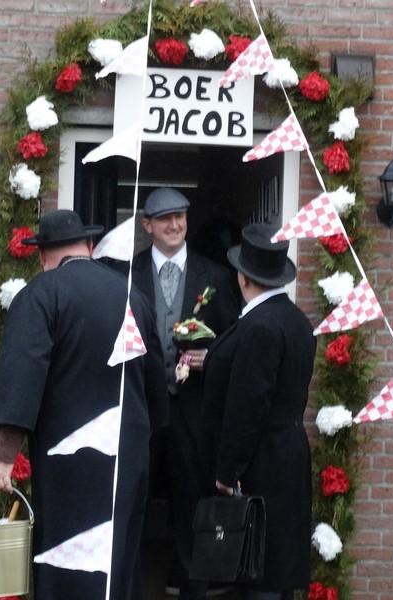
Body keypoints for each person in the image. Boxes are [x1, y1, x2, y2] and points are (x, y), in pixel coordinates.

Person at [0, 209, 168, 600]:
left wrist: (3, 454)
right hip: (126, 456)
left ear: (42, 255)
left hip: (67, 461)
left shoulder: (40, 294)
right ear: (88, 245)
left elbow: (22, 374)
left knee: (66, 557)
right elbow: (156, 388)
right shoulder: (134, 295)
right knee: (117, 559)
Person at [197, 223, 316, 600]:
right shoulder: (296, 320)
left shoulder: (260, 326)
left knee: (262, 572)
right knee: (275, 572)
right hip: (287, 455)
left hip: (262, 464)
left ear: (243, 277)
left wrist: (226, 472)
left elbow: (248, 409)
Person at [131, 187, 240, 599]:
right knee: (134, 505)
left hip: (192, 413)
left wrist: (209, 358)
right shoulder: (128, 274)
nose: (174, 225)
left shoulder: (215, 275)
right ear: (147, 225)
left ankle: (194, 589)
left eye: (180, 216)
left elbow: (233, 339)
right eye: (164, 218)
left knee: (191, 507)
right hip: (142, 409)